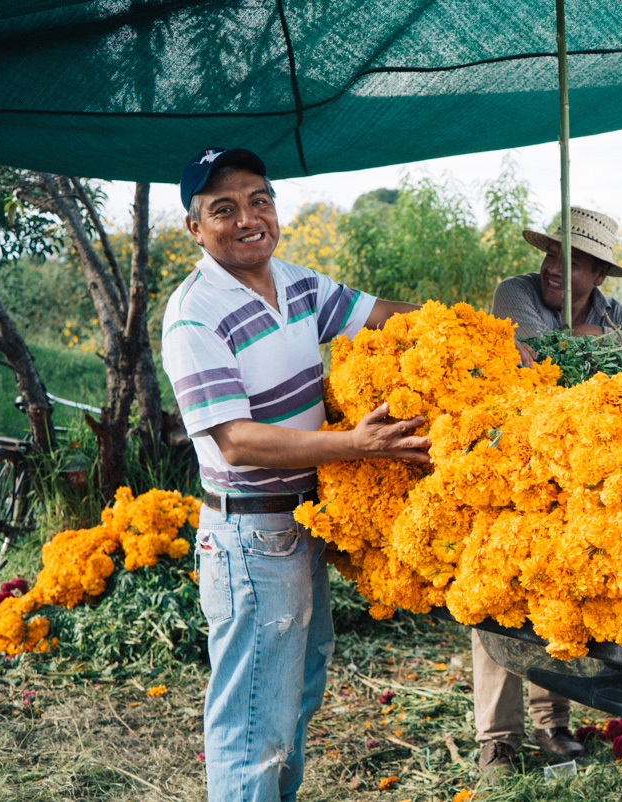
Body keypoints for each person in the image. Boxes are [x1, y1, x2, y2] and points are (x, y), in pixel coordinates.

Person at [162, 147, 434, 802]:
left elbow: (380, 313)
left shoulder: (296, 283)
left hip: (302, 526)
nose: (248, 218)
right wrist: (356, 445)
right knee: (255, 722)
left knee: (296, 698)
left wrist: (470, 330)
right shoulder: (194, 314)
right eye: (223, 209)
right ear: (195, 229)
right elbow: (237, 442)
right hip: (251, 541)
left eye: (259, 200)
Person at [475, 206, 622, 782]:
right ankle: (497, 743)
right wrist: (595, 346)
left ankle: (550, 725)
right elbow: (538, 349)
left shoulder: (609, 309)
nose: (555, 268)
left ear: (600, 274)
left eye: (575, 261)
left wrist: (598, 337)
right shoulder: (517, 292)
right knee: (497, 596)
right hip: (512, 460)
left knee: (553, 590)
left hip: (577, 463)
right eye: (552, 254)